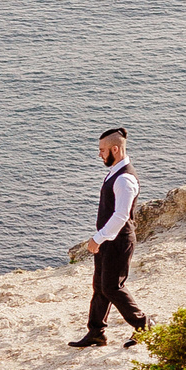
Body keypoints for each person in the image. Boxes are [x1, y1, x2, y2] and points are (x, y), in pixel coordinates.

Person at [71, 127, 149, 348]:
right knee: (100, 286)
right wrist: (101, 238)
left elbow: (121, 216)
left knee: (113, 287)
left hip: (119, 240)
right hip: (109, 240)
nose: (100, 155)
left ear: (116, 149)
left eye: (103, 150)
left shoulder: (125, 179)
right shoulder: (116, 171)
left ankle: (145, 324)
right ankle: (96, 332)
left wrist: (99, 237)